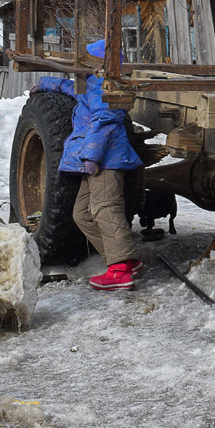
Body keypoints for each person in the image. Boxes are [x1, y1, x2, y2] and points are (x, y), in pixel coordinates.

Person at [32, 39, 144, 290]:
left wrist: (92, 155)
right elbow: (72, 89)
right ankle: (122, 259)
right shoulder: (91, 84)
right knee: (82, 214)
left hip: (105, 160)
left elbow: (104, 119)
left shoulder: (106, 88)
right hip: (93, 160)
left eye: (86, 60)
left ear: (98, 64)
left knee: (105, 208)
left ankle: (120, 268)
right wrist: (46, 84)